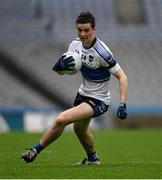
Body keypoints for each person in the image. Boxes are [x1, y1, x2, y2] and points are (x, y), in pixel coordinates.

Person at [21, 11, 128, 165]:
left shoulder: (102, 52)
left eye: (86, 30)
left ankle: (34, 150)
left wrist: (123, 103)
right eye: (80, 30)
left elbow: (123, 77)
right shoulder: (74, 45)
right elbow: (65, 71)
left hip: (99, 100)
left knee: (61, 119)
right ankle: (93, 159)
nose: (83, 34)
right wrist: (58, 68)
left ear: (94, 29)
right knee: (80, 129)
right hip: (82, 94)